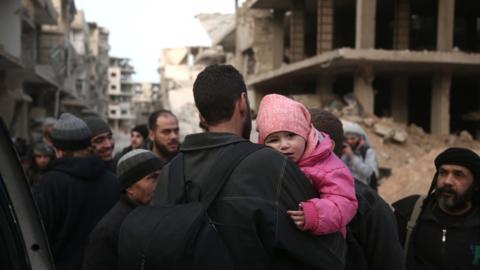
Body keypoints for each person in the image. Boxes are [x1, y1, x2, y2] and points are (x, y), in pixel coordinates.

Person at [152, 64, 345, 269]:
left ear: (201, 116)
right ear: (242, 102)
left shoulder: (168, 173)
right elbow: (328, 255)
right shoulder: (271, 166)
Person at [310, 108, 406, 270]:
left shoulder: (369, 206)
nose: (286, 146)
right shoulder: (282, 191)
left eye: (294, 137)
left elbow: (369, 172)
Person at [255, 94, 357, 237]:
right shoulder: (265, 166)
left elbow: (345, 202)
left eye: (291, 135)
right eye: (273, 140)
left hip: (323, 246)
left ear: (305, 134)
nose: (284, 145)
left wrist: (316, 214)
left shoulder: (327, 164)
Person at [34, 113, 120, 270]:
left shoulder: (51, 183)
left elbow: (39, 234)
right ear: (88, 145)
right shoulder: (113, 181)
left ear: (58, 150)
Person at [393, 147, 480, 270]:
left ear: (475, 184)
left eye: (458, 174)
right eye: (443, 173)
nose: (447, 181)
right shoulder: (410, 213)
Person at [83, 149, 165, 270]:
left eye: (162, 176)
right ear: (129, 187)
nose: (161, 183)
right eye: (153, 177)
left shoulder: (162, 212)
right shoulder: (109, 231)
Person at [341, 122, 379, 190]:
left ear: (360, 138)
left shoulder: (368, 151)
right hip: (348, 189)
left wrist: (352, 156)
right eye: (347, 138)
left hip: (363, 191)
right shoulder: (346, 149)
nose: (349, 141)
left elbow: (368, 172)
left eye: (353, 138)